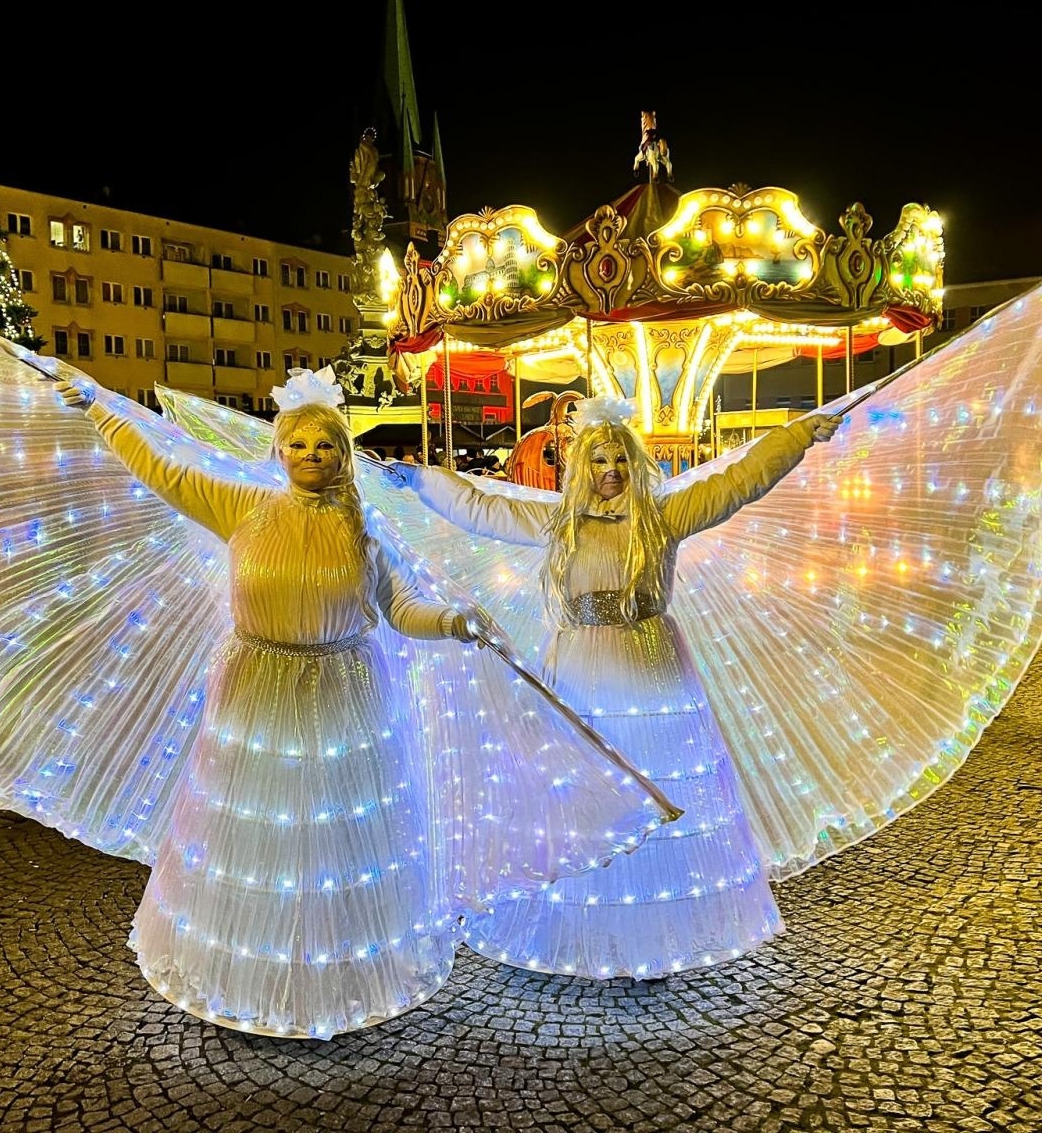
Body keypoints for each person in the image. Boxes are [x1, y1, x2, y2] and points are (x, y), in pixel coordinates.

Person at [55, 368, 662, 1037]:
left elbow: (401, 607)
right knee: (266, 838)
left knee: (342, 838)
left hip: (347, 693)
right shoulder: (242, 508)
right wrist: (100, 407)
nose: (312, 457)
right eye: (300, 445)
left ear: (344, 456)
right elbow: (160, 468)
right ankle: (261, 974)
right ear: (279, 451)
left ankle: (340, 970)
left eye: (327, 446)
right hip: (260, 694)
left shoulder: (362, 528)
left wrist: (453, 621)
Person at [389, 397, 842, 979]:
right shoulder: (559, 523)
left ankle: (655, 926)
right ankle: (584, 921)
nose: (610, 470)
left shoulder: (664, 516)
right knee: (585, 784)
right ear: (582, 467)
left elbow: (739, 481)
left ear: (634, 462)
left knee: (655, 781)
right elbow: (484, 508)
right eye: (599, 459)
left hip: (648, 662)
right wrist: (423, 480)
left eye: (619, 459)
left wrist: (796, 435)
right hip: (579, 665)